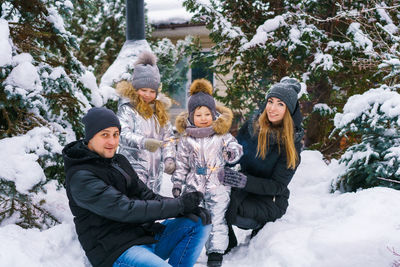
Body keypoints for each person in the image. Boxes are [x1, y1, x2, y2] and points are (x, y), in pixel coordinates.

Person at [62, 107, 212, 267]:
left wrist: (185, 208)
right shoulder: (81, 176)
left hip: (143, 237)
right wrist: (179, 206)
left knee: (199, 222)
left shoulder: (118, 162)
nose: (112, 142)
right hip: (116, 251)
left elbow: (147, 196)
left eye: (115, 134)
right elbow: (125, 209)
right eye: (104, 135)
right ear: (90, 137)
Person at [218, 77, 304, 252]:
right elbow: (235, 154)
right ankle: (225, 243)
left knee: (228, 206)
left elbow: (278, 186)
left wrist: (242, 181)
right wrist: (223, 164)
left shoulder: (291, 145)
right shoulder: (253, 127)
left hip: (269, 200)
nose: (272, 108)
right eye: (270, 101)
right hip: (244, 190)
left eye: (280, 104)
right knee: (212, 199)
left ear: (289, 110)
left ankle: (262, 233)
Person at [171, 79, 243, 267]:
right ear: (190, 116)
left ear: (213, 114)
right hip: (194, 185)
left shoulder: (221, 135)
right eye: (198, 114)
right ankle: (191, 248)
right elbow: (181, 164)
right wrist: (178, 183)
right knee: (195, 218)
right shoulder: (187, 139)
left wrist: (231, 153)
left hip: (218, 184)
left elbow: (235, 147)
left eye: (207, 114)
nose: (203, 118)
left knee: (217, 219)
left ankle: (215, 253)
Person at [116, 51, 176, 194]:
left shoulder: (159, 113)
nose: (148, 95)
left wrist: (169, 158)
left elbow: (168, 138)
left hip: (155, 172)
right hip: (132, 168)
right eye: (144, 90)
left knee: (151, 206)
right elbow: (122, 134)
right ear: (135, 89)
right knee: (135, 204)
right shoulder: (127, 110)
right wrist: (144, 142)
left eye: (152, 91)